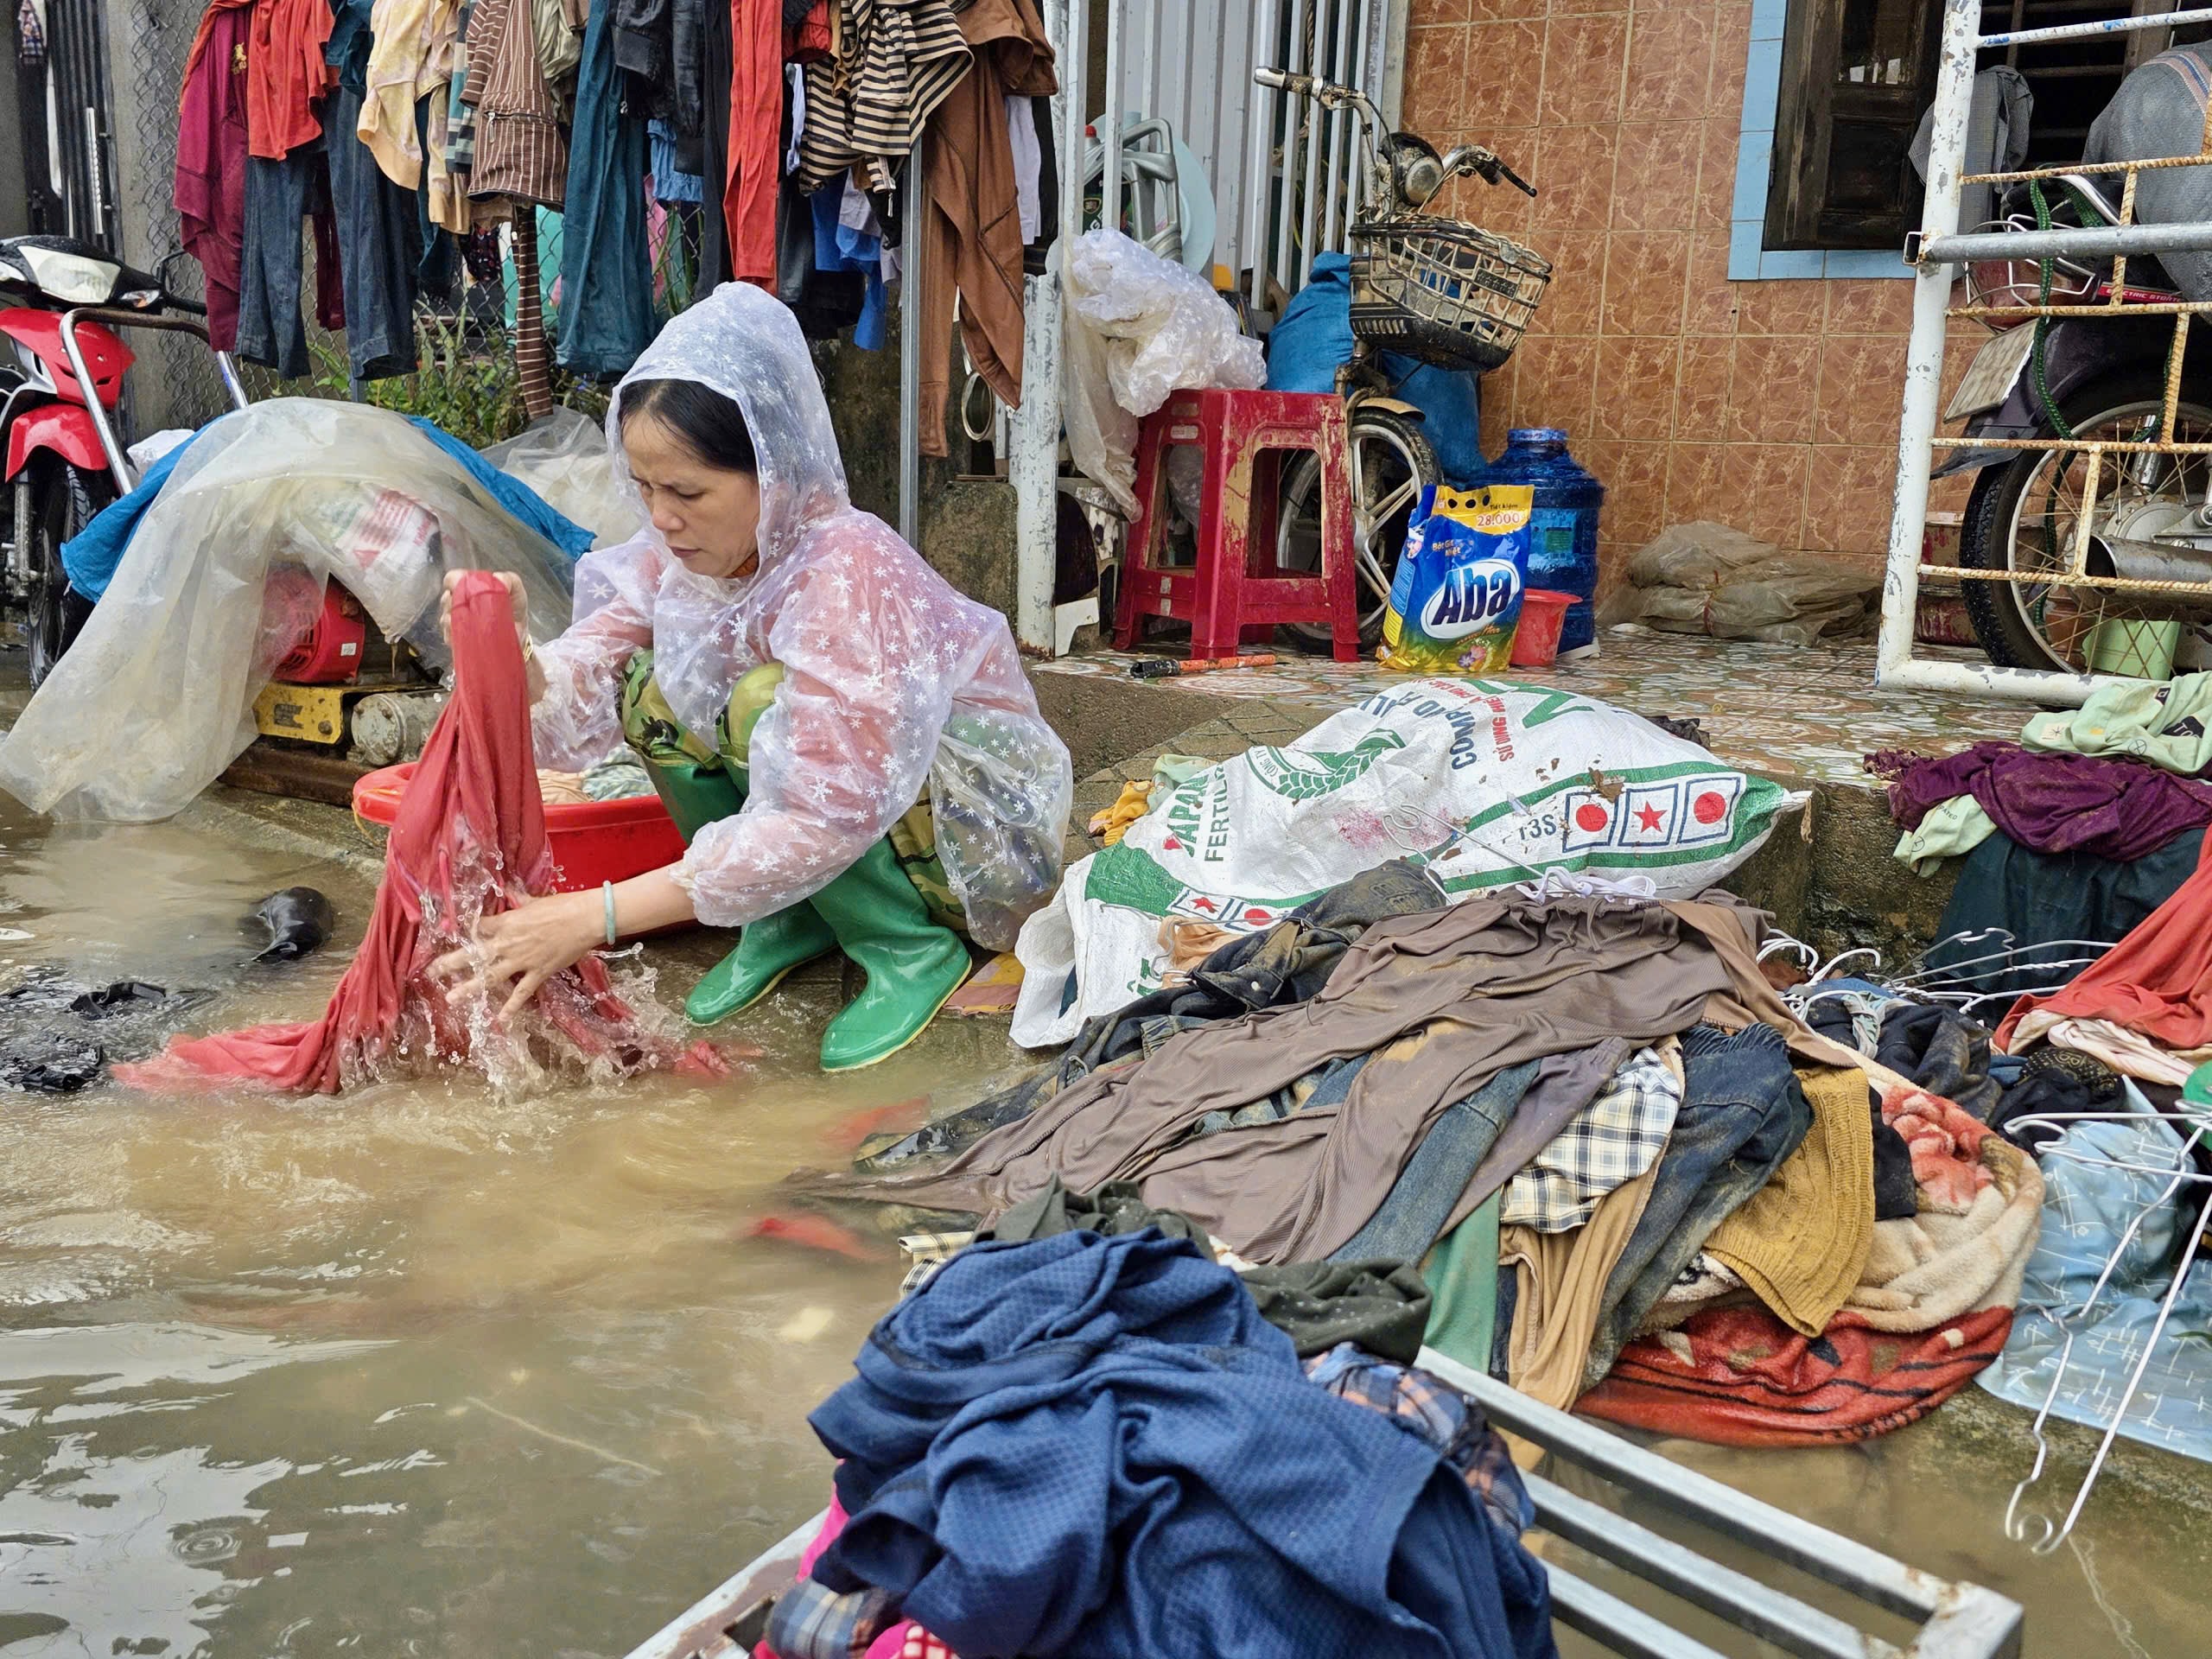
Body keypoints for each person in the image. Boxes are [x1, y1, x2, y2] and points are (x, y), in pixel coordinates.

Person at [433, 283, 1072, 1071]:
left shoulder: (843, 569)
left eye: (686, 491)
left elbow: (826, 810)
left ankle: (904, 944)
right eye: (644, 487)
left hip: (968, 838)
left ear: (773, 473)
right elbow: (585, 680)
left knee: (759, 701)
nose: (661, 517)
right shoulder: (681, 559)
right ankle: (787, 915)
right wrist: (510, 651)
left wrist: (594, 916)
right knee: (650, 688)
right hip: (852, 813)